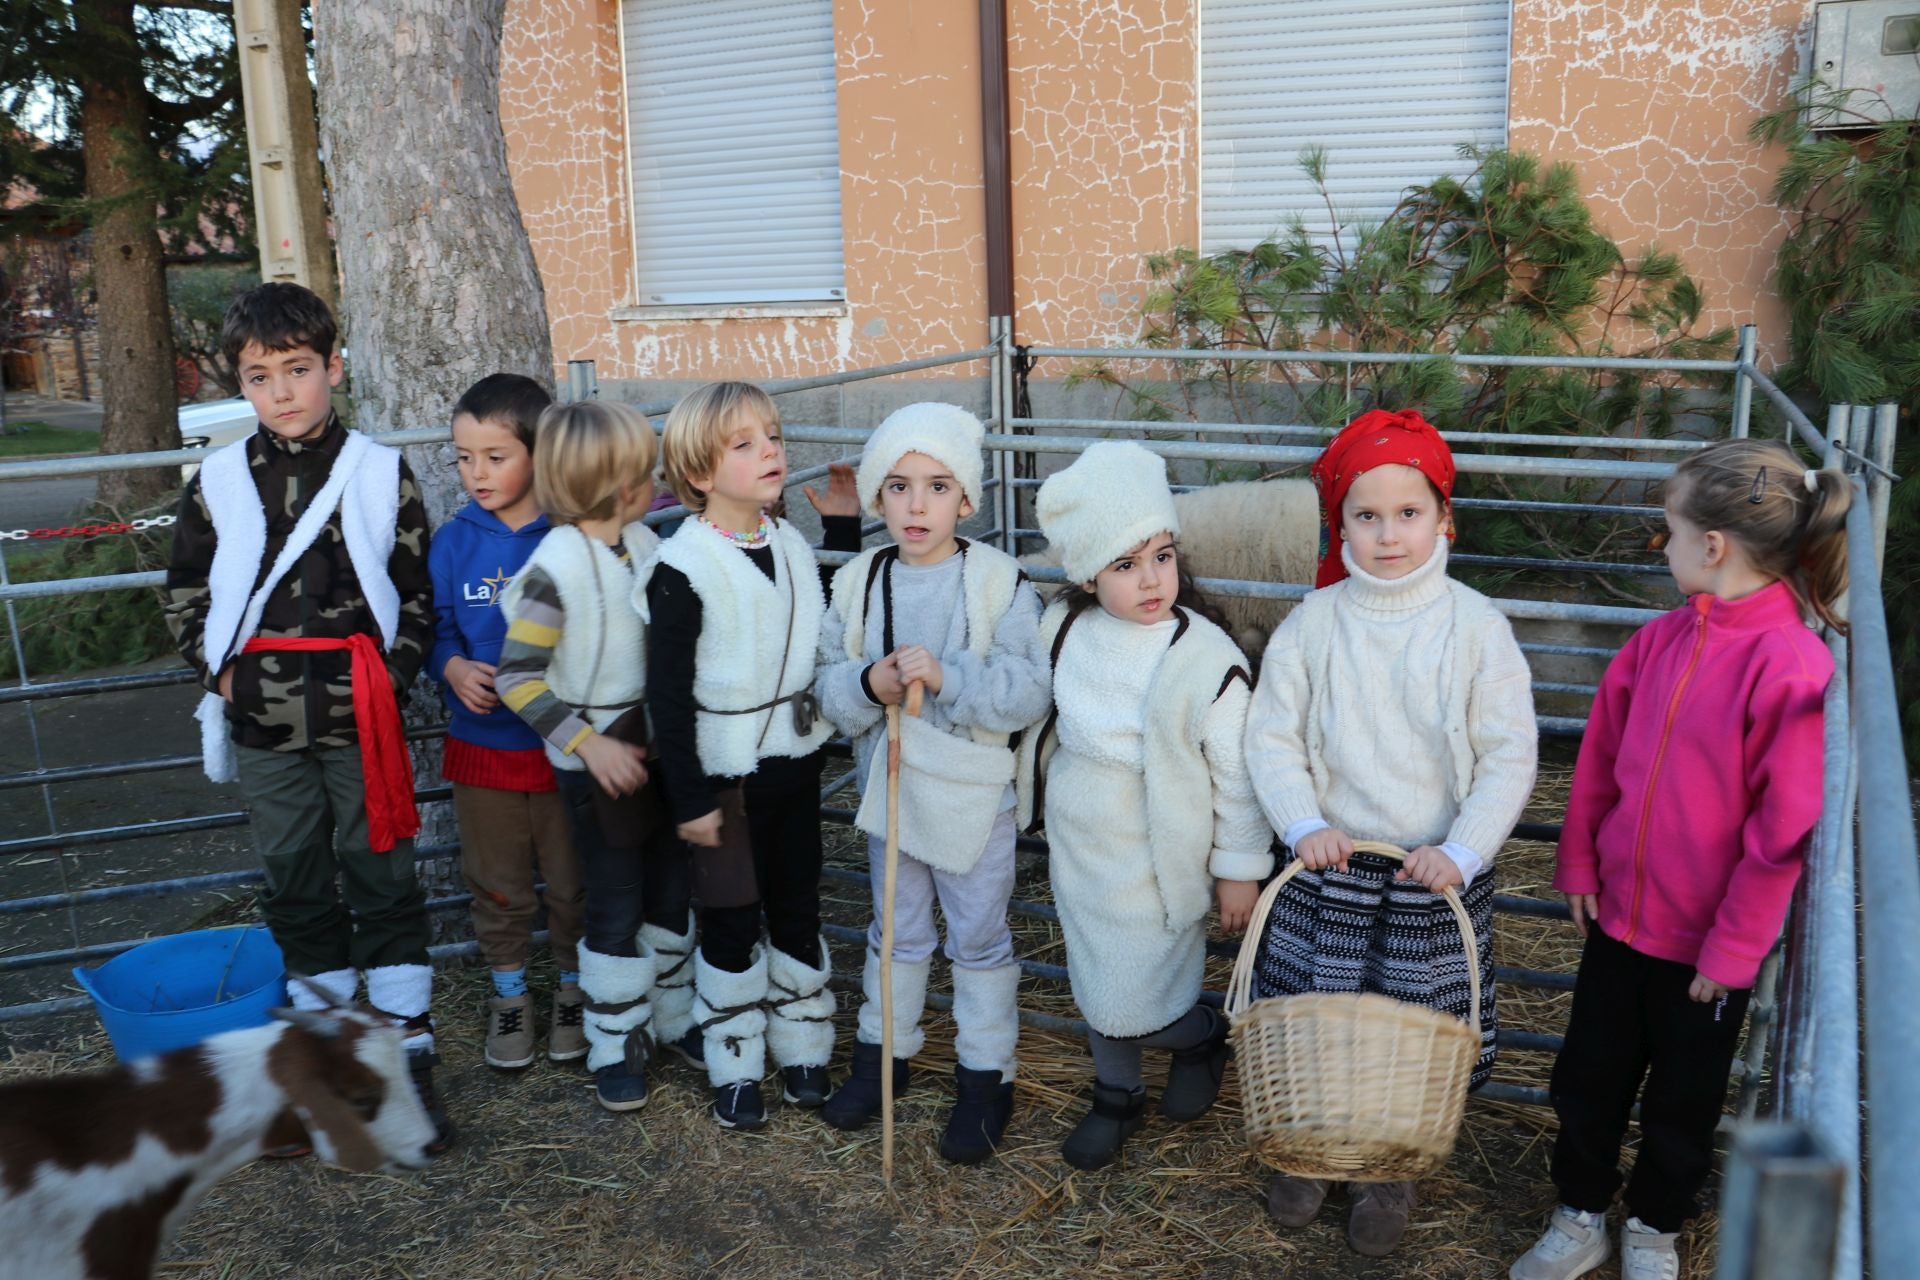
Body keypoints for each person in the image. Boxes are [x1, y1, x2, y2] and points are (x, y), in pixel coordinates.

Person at [1510, 439, 1847, 1280]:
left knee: (1682, 1103)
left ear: (1713, 546)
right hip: (1620, 923)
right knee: (1588, 1080)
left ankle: (1656, 1227)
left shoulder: (1790, 667)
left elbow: (1783, 827)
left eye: (1667, 530)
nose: (1661, 547)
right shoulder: (1655, 644)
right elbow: (1600, 760)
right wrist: (1581, 863)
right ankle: (1581, 1212)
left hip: (1705, 953)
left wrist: (1735, 949)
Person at [1243, 408, 1537, 1256]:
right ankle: (1305, 1149)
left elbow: (1509, 754)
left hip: (1429, 873)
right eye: (1366, 518)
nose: (1389, 535)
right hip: (1330, 864)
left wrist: (1464, 849)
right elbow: (1273, 734)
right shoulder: (1316, 623)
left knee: (1411, 1031)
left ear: (1446, 520)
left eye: (1409, 513)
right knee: (1317, 1014)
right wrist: (1302, 823)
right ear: (1341, 527)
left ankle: (1388, 1170)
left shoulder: (1475, 628)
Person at [163, 281, 449, 1151]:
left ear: (333, 366)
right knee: (293, 877)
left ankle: (405, 1051)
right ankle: (325, 1046)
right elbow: (185, 590)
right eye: (260, 377)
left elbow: (415, 591)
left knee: (381, 874)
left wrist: (390, 680)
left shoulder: (373, 471)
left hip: (361, 716)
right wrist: (222, 682)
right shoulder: (217, 481)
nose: (282, 393)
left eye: (298, 369)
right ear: (241, 386)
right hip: (264, 726)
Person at [1012, 440, 1273, 1171]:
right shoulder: (1063, 630)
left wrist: (1239, 869)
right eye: (1125, 565)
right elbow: (1032, 714)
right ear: (1089, 576)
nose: (1151, 579)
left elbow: (1236, 774)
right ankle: (1116, 1093)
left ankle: (1195, 1037)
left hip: (1162, 846)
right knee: (1098, 977)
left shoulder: (1203, 657)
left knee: (1141, 989)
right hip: (1083, 839)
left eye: (1161, 555)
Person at [813, 402, 1051, 1163]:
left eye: (939, 487)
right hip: (892, 791)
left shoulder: (998, 582)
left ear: (969, 500)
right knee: (895, 929)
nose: (917, 505)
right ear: (878, 496)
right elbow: (822, 688)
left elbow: (1027, 690)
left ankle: (987, 1077)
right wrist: (866, 682)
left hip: (974, 795)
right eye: (900, 487)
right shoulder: (855, 582)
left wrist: (948, 677)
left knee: (978, 935)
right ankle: (884, 1057)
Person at [640, 381, 859, 1131]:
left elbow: (816, 621)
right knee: (732, 919)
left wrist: (844, 533)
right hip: (722, 779)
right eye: (745, 443)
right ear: (699, 473)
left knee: (799, 905)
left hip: (794, 768)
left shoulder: (790, 543)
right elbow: (665, 699)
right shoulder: (682, 567)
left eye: (772, 435)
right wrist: (690, 799)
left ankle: (802, 1046)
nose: (771, 451)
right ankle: (734, 1059)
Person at [493, 399, 691, 1113]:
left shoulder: (640, 545)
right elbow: (517, 677)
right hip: (598, 768)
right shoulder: (555, 572)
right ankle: (615, 1043)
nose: (652, 480)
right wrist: (588, 742)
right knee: (616, 902)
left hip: (655, 754)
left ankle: (671, 1020)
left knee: (671, 888)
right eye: (644, 470)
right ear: (619, 486)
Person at [428, 373, 589, 1071]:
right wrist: (454, 669)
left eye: (496, 456)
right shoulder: (454, 542)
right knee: (498, 883)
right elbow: (434, 629)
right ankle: (511, 996)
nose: (477, 473)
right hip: (485, 749)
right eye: (465, 457)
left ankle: (579, 994)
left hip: (562, 747)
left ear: (539, 453)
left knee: (575, 880)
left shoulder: (571, 535)